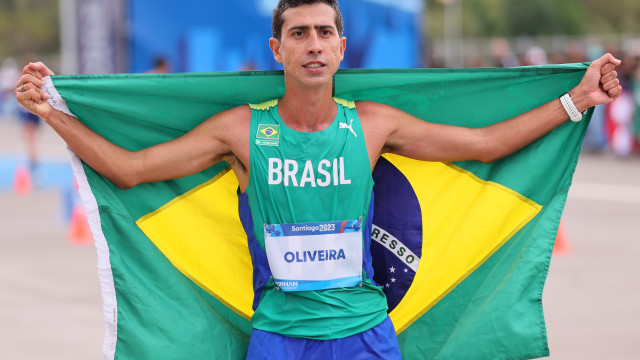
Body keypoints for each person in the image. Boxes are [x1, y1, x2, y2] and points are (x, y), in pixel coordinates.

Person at [15, 0, 622, 358]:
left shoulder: (375, 125)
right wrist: (50, 112)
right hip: (279, 336)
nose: (313, 45)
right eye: (299, 34)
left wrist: (577, 99)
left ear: (341, 48)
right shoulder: (239, 131)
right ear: (277, 49)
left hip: (363, 332)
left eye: (324, 33)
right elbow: (127, 170)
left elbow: (485, 145)